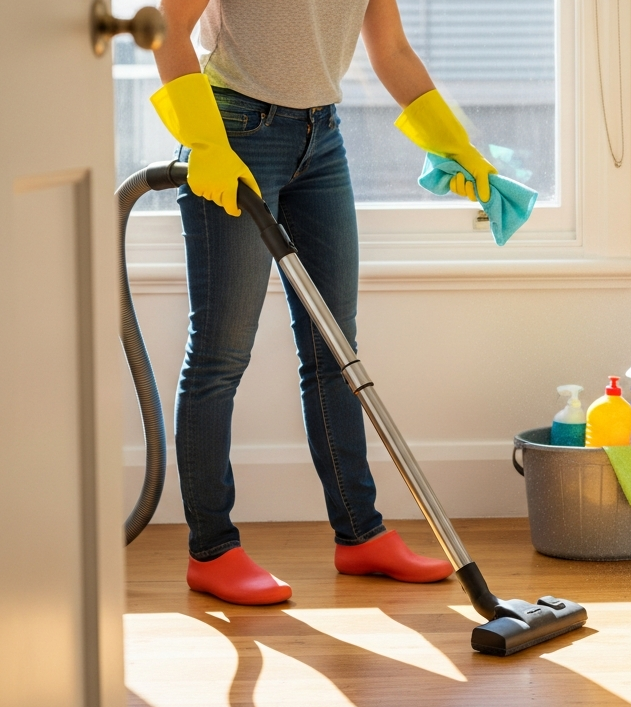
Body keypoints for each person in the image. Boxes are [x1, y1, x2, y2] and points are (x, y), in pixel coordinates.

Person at [151, 0, 496, 605]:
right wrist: (203, 141)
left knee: (335, 349)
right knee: (219, 356)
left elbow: (391, 49)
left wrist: (454, 142)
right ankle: (212, 550)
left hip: (321, 138)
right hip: (233, 131)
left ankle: (360, 535)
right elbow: (167, 27)